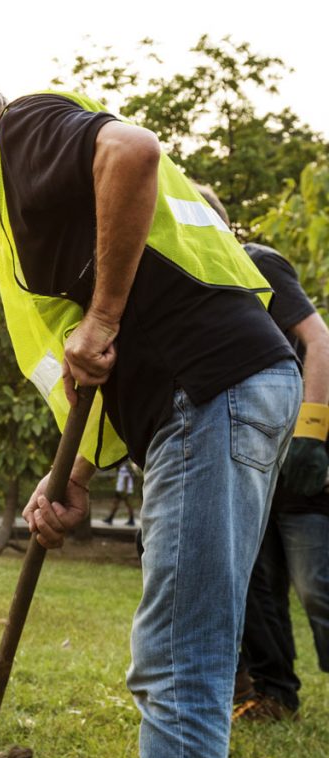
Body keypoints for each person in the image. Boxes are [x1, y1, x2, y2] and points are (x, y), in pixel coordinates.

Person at [0, 70, 302, 758]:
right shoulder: (25, 199)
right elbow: (89, 363)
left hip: (209, 390)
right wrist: (68, 477)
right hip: (208, 396)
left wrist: (104, 314)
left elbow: (133, 151)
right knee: (183, 645)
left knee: (180, 657)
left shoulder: (24, 134)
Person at [195, 187, 329, 723]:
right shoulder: (207, 286)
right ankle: (276, 693)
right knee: (257, 583)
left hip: (301, 455)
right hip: (257, 451)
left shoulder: (256, 262)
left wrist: (312, 434)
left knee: (317, 585)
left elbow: (319, 340)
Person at [102, 460, 136, 526]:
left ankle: (131, 519)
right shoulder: (121, 468)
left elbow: (128, 479)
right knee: (116, 503)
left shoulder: (126, 467)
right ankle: (110, 518)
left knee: (127, 504)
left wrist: (125, 491)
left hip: (124, 490)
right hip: (121, 489)